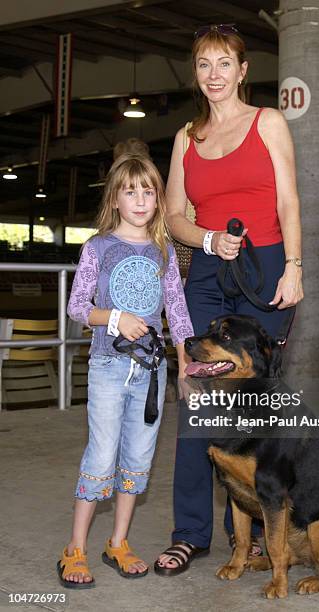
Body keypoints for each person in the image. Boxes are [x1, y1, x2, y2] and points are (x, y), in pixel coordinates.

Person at [154, 24, 303, 576]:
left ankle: (256, 531)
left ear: (242, 71)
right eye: (203, 64)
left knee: (255, 404)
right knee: (198, 400)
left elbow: (289, 199)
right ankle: (189, 533)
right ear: (195, 73)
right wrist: (207, 238)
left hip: (263, 266)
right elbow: (173, 217)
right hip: (209, 269)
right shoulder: (186, 139)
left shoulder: (269, 123)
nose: (213, 75)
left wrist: (294, 265)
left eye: (224, 64)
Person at [57, 152, 193, 588]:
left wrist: (185, 363)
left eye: (148, 191)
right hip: (108, 365)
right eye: (130, 191)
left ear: (157, 199)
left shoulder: (164, 250)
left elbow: (177, 309)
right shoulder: (97, 247)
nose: (139, 199)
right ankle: (74, 549)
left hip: (152, 371)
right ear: (115, 199)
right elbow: (77, 307)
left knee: (139, 456)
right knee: (101, 453)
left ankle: (118, 541)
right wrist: (115, 318)